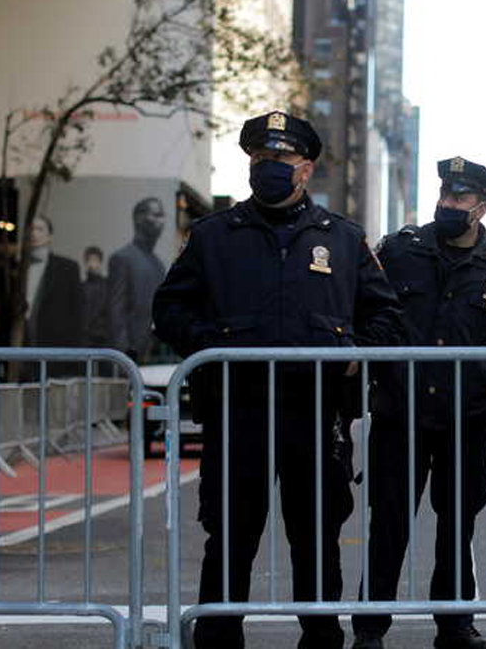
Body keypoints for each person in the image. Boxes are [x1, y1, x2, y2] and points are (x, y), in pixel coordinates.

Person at [151, 110, 406, 649]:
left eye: (282, 158)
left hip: (316, 411)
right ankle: (219, 637)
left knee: (316, 534)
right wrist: (209, 343)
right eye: (261, 157)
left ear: (305, 169)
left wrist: (357, 351)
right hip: (238, 409)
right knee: (231, 532)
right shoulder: (213, 236)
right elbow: (169, 308)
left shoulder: (343, 240)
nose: (269, 166)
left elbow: (386, 315)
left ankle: (320, 635)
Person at [351, 157, 486, 649]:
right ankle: (369, 630)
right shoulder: (400, 251)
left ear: (481, 207)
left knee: (457, 526)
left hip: (467, 419)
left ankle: (455, 627)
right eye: (445, 195)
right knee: (389, 525)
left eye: (460, 198)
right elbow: (364, 310)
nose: (448, 205)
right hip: (402, 413)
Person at [109, 197, 168, 362]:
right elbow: (116, 312)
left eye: (162, 216)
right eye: (156, 215)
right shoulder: (122, 258)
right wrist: (124, 355)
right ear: (139, 219)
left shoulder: (158, 265)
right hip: (130, 355)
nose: (161, 221)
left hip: (154, 354)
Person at [24, 215, 83, 376]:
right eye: (31, 229)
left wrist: (76, 358)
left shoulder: (68, 268)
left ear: (50, 236)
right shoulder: (16, 267)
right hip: (22, 347)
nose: (34, 233)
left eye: (40, 229)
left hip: (55, 348)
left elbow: (77, 313)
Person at [80, 246, 110, 348]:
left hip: (104, 337)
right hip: (85, 336)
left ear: (100, 262)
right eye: (89, 260)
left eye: (95, 260)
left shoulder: (109, 285)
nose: (92, 264)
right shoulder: (80, 286)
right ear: (85, 263)